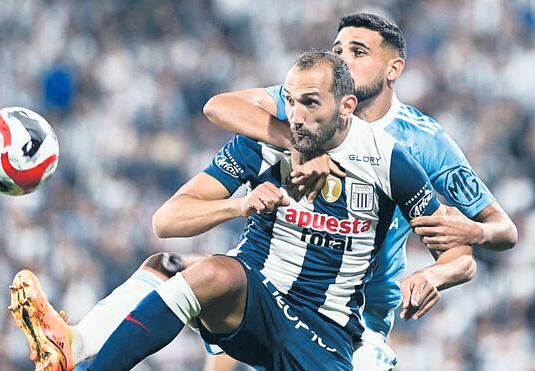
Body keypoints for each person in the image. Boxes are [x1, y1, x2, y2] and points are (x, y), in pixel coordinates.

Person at [77, 48, 475, 370]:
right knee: (207, 272)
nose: (296, 116)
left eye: (310, 103)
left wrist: (434, 275)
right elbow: (166, 220)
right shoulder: (262, 141)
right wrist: (240, 205)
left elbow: (459, 253)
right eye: (290, 100)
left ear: (347, 106)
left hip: (326, 327)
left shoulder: (389, 161)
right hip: (257, 296)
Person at [201, 13, 518, 370]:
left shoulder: (424, 140)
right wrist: (299, 143)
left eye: (358, 52)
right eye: (338, 50)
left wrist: (471, 237)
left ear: (393, 69)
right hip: (278, 290)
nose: (343, 61)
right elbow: (218, 106)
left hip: (361, 316)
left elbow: (503, 230)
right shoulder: (306, 103)